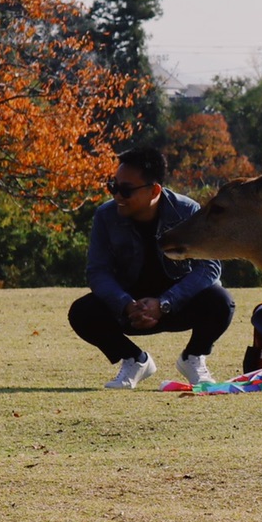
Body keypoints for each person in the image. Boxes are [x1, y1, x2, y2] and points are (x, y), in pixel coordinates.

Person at [68, 146, 234, 388]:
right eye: (113, 186)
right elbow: (97, 271)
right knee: (82, 312)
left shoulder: (187, 211)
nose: (117, 196)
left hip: (177, 305)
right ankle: (135, 360)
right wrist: (125, 304)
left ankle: (193, 358)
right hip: (129, 311)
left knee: (221, 301)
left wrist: (165, 303)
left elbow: (209, 267)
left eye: (126, 190)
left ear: (154, 190)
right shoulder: (105, 216)